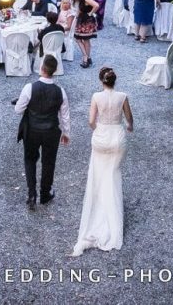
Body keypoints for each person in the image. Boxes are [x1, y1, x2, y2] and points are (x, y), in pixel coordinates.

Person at [69, 67, 133, 256]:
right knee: (113, 176)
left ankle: (98, 210)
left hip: (102, 137)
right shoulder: (122, 96)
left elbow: (91, 121)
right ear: (115, 81)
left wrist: (99, 129)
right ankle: (113, 220)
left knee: (98, 177)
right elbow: (129, 119)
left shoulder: (97, 97)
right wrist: (129, 126)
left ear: (101, 81)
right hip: (116, 138)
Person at [14, 54, 71, 210]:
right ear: (54, 70)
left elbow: (18, 110)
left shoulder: (29, 88)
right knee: (49, 162)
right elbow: (65, 116)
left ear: (42, 68)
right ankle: (45, 194)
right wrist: (66, 133)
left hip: (32, 130)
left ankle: (32, 194)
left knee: (30, 160)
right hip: (51, 131)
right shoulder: (61, 91)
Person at [73, 0, 100, 68]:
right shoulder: (82, 0)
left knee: (85, 39)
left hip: (87, 21)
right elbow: (80, 10)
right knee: (78, 39)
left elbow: (96, 5)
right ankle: (87, 56)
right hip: (82, 20)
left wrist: (90, 13)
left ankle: (86, 58)